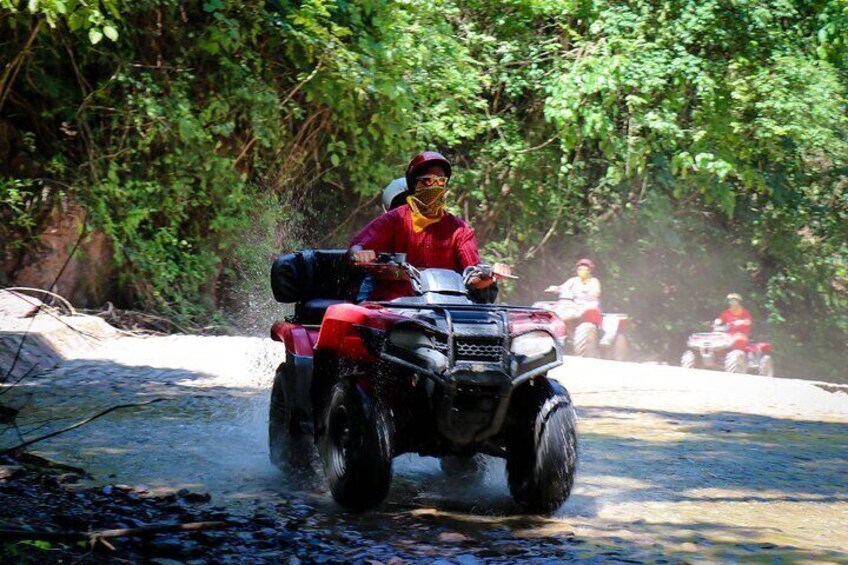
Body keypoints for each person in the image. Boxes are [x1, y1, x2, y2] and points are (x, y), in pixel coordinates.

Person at [350, 151, 509, 301]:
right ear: (414, 184)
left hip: (444, 308)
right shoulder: (394, 219)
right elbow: (358, 246)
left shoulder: (459, 229)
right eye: (427, 180)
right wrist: (360, 253)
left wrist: (491, 275)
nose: (434, 186)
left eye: (440, 181)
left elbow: (473, 275)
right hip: (396, 306)